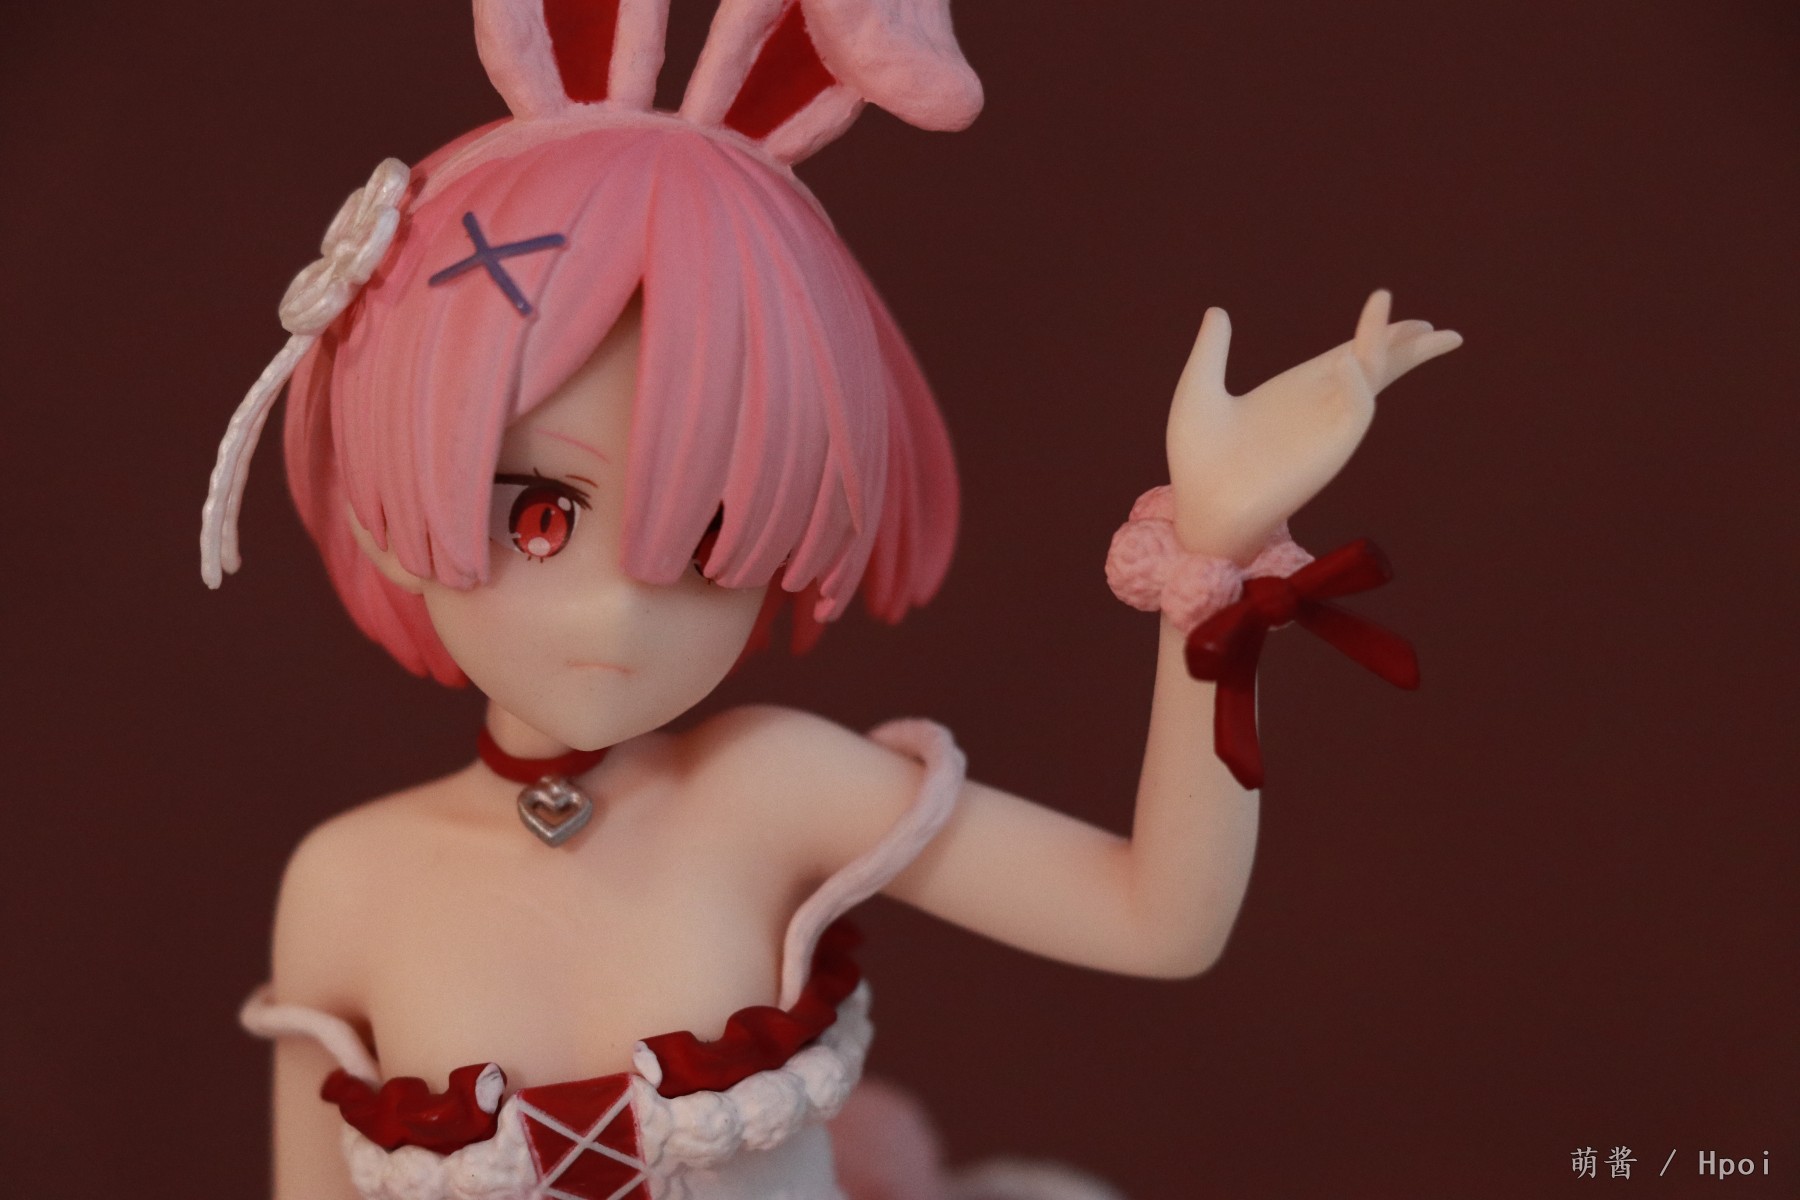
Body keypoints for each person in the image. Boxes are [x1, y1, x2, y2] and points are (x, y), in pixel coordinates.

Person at [198, 3, 1460, 1198]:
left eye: (710, 537)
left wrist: (1211, 569)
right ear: (386, 503)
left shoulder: (770, 787)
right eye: (540, 516)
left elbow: (1158, 920)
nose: (622, 610)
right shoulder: (347, 886)